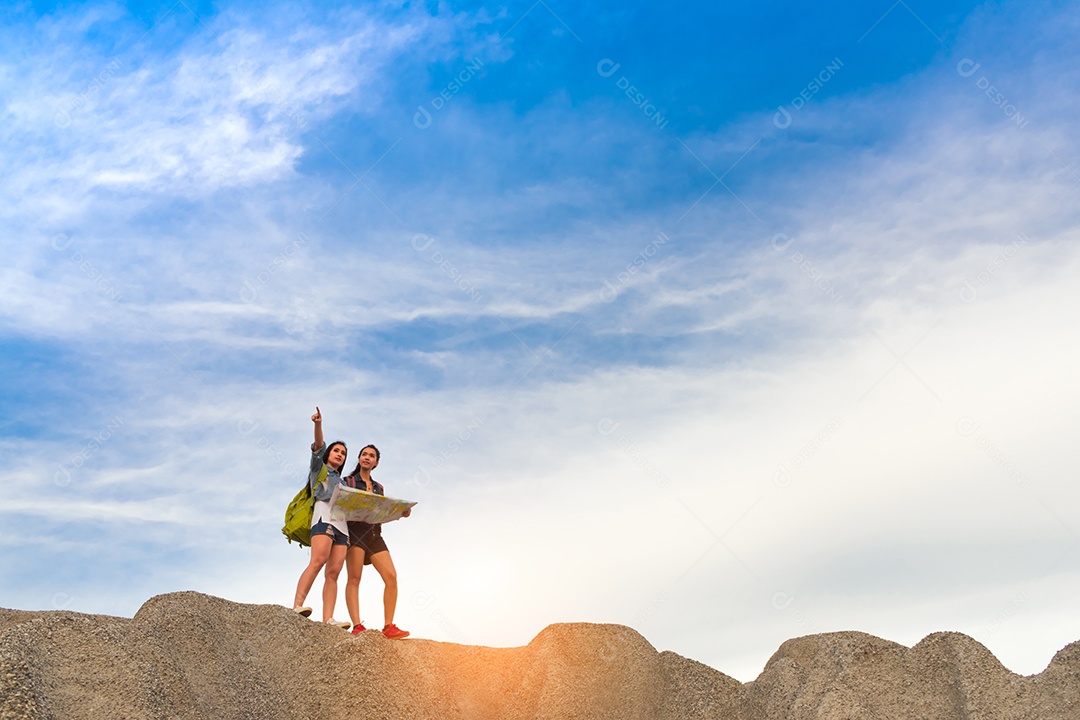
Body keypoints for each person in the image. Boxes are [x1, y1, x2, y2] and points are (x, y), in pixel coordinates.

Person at [342, 443, 412, 639]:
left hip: (375, 534)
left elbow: (380, 514)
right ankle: (357, 625)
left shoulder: (379, 488)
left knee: (391, 576)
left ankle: (389, 626)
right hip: (356, 532)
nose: (367, 457)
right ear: (358, 458)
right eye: (364, 454)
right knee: (354, 579)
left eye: (371, 456)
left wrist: (401, 513)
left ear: (376, 462)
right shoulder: (348, 481)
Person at [290, 406, 351, 629]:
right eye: (336, 451)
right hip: (323, 519)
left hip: (342, 526)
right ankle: (297, 605)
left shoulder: (344, 482)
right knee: (318, 560)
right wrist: (318, 424)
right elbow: (317, 447)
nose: (339, 455)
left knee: (334, 572)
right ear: (329, 454)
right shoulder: (320, 468)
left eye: (343, 453)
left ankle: (329, 619)